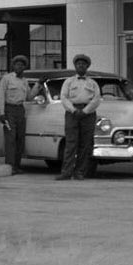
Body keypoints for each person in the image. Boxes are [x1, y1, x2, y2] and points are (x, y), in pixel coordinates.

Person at [57, 52, 102, 181]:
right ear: (75, 66)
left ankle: (80, 172)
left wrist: (85, 111)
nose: (81, 66)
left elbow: (96, 99)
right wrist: (73, 110)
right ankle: (66, 172)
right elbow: (63, 97)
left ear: (87, 67)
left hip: (88, 114)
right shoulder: (68, 82)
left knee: (85, 144)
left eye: (83, 64)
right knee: (71, 143)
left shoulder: (93, 83)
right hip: (72, 113)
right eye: (78, 64)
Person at [0, 54, 35, 172]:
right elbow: (1, 96)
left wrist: (38, 85)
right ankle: (10, 166)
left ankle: (17, 166)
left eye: (22, 65)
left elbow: (29, 97)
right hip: (9, 110)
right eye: (17, 64)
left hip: (20, 109)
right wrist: (2, 113)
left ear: (24, 67)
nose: (19, 67)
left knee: (20, 139)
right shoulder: (7, 79)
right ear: (13, 66)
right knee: (10, 139)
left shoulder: (24, 81)